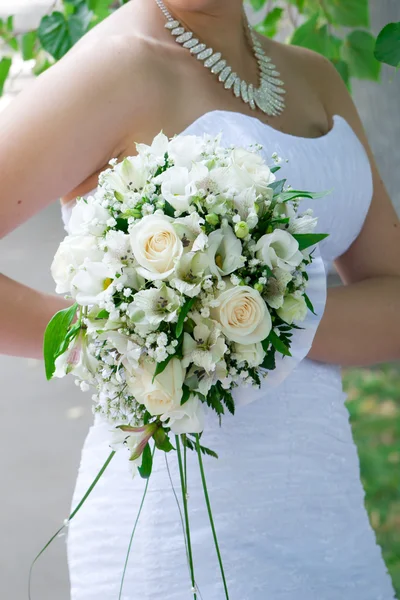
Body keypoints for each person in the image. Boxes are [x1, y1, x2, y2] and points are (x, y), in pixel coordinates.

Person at [1, 1, 399, 598]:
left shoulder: (316, 76)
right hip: (177, 530)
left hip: (326, 513)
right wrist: (118, 339)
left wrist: (266, 318)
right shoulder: (116, 68)